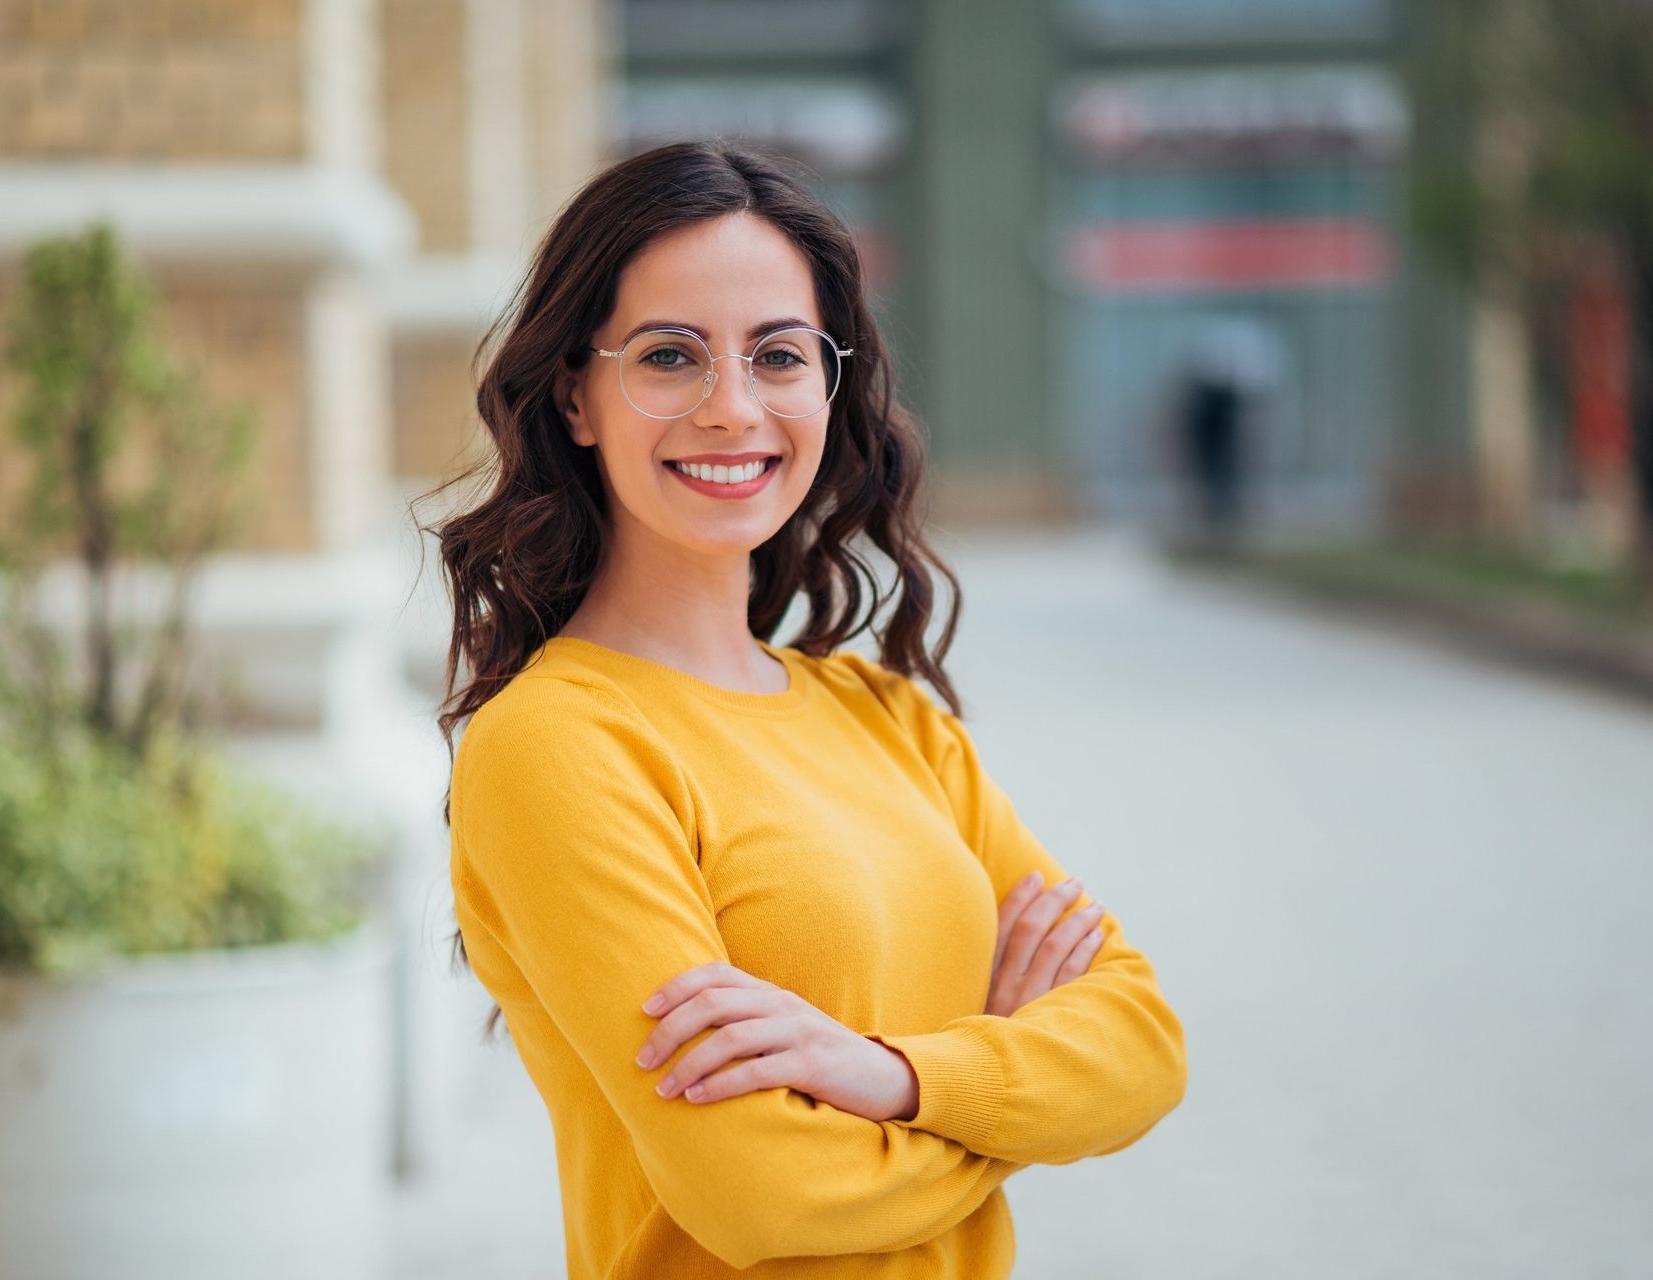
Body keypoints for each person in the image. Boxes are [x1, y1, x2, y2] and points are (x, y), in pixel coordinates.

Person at [420, 140, 1187, 1278]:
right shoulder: (559, 745)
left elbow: (1144, 1044)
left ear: (827, 386)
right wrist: (1012, 1096)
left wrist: (891, 1074)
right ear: (577, 395)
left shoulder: (890, 715)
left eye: (778, 354)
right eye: (671, 356)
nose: (732, 409)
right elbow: (765, 1196)